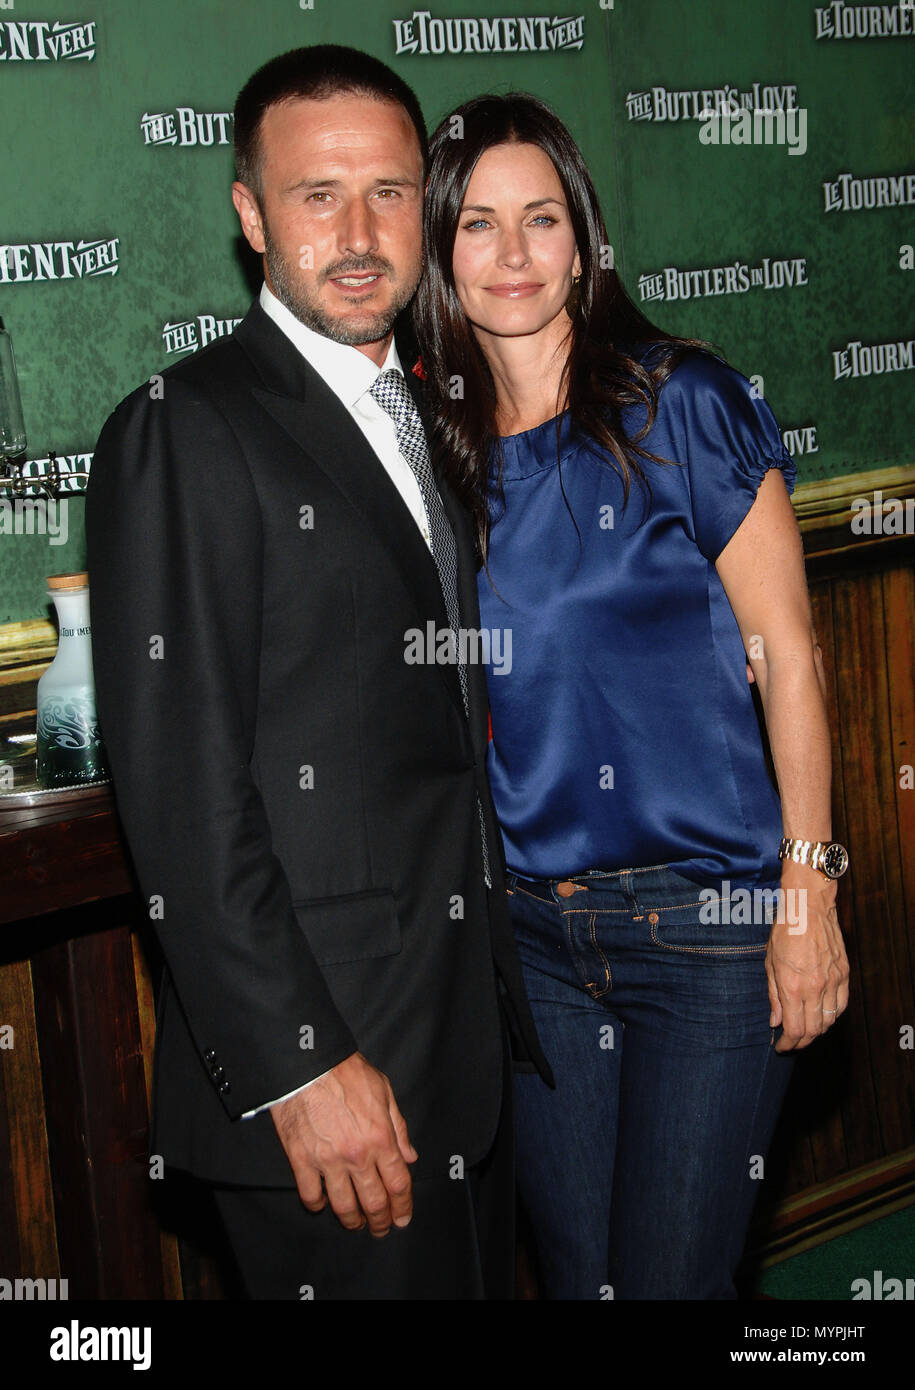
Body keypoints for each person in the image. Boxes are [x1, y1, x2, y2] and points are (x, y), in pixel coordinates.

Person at [86, 48, 550, 1302]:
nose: (358, 234)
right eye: (315, 195)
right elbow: (182, 792)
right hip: (332, 1078)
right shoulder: (184, 425)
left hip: (461, 1045)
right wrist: (300, 1069)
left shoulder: (428, 409)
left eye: (390, 194)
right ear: (249, 212)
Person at [415, 92, 851, 1300]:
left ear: (584, 237)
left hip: (708, 929)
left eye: (540, 220)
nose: (511, 256)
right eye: (479, 224)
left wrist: (808, 891)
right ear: (440, 247)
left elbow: (791, 655)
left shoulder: (681, 403)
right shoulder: (432, 458)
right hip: (534, 945)